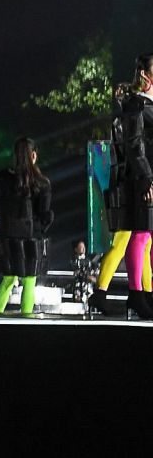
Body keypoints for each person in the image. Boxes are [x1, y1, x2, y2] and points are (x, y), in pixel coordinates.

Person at [96, 55, 153, 316]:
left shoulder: (144, 103)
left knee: (144, 237)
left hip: (144, 176)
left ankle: (142, 294)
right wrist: (146, 178)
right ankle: (135, 294)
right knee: (136, 235)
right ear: (144, 73)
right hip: (138, 178)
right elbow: (134, 145)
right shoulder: (136, 104)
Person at [0, 137, 53, 316]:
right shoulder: (41, 182)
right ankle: (27, 319)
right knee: (29, 280)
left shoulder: (0, 178)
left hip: (6, 234)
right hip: (30, 236)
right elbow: (44, 214)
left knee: (8, 279)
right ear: (33, 155)